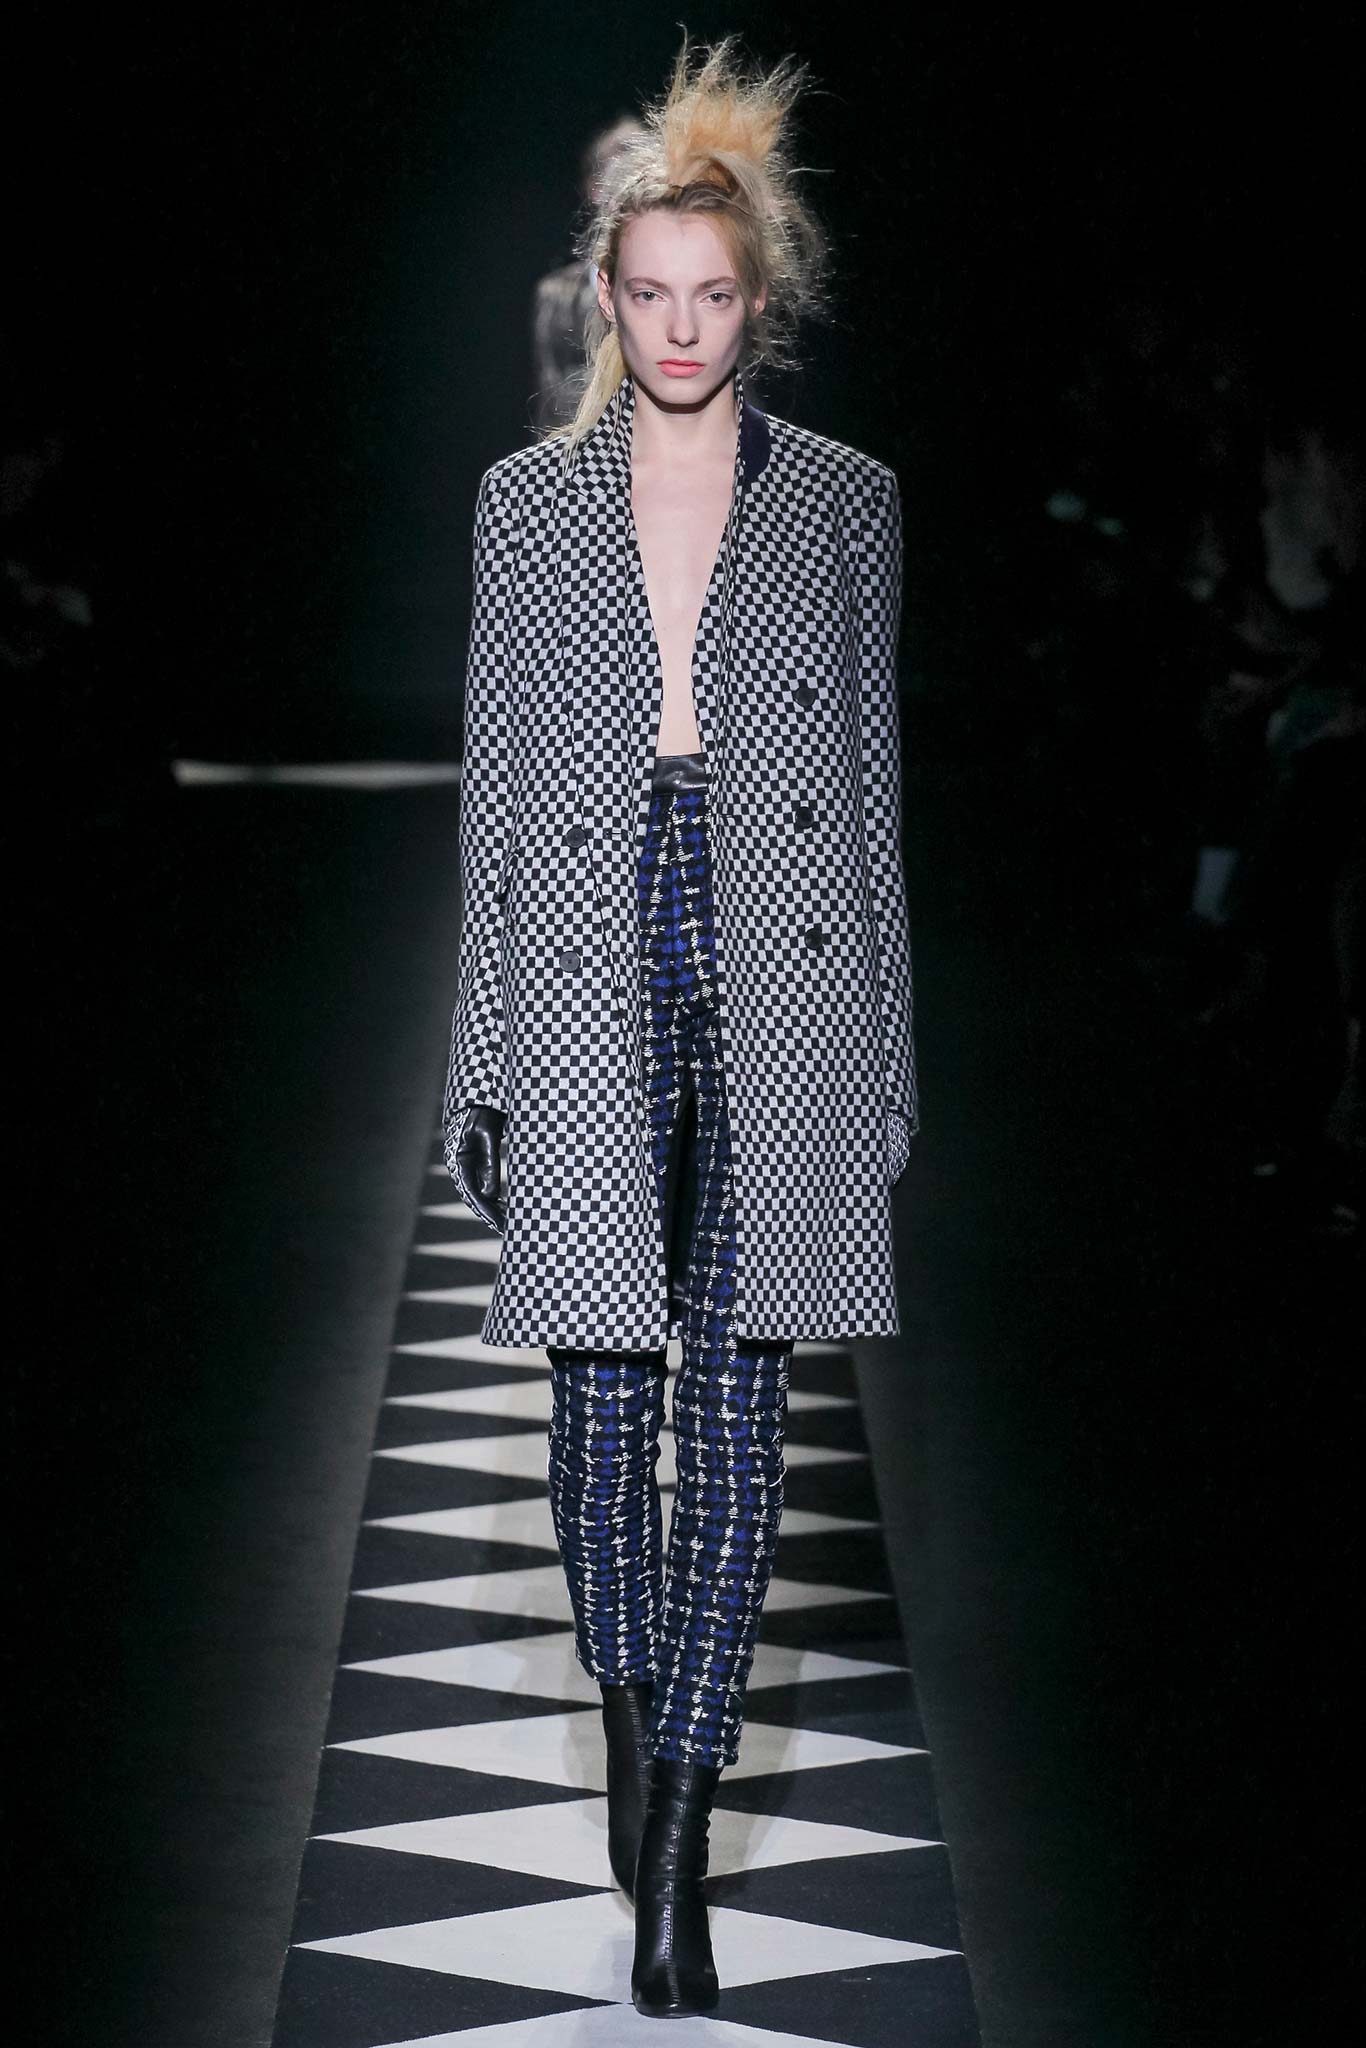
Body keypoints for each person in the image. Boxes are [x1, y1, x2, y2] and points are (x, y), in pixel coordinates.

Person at [442, 33, 918, 2018]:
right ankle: (635, 1722)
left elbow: (870, 802)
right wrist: (477, 1062)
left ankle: (678, 1847)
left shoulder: (845, 505)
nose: (680, 329)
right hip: (583, 939)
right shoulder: (526, 508)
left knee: (735, 1411)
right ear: (604, 294)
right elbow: (492, 794)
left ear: (758, 297)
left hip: (781, 961)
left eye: (712, 295)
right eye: (648, 294)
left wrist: (887, 1064)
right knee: (590, 1422)